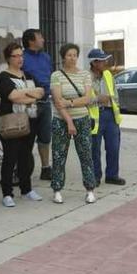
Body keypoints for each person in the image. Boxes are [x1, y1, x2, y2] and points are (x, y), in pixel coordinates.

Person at [0, 42, 46, 207]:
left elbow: (41, 92)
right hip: (11, 121)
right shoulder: (3, 76)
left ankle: (27, 189)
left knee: (26, 156)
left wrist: (26, 95)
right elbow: (12, 96)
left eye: (21, 55)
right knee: (10, 157)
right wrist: (30, 95)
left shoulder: (28, 75)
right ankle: (7, 193)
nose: (19, 59)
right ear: (8, 58)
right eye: (15, 56)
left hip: (29, 120)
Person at [50, 43, 97, 204]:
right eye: (69, 55)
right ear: (63, 57)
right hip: (60, 120)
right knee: (58, 155)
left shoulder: (85, 75)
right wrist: (69, 121)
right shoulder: (56, 75)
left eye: (75, 55)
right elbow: (57, 101)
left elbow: (88, 98)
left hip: (82, 119)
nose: (72, 58)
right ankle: (57, 189)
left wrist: (70, 103)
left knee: (86, 155)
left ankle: (90, 189)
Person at [88, 49, 125, 186]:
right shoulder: (86, 77)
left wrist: (116, 109)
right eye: (102, 60)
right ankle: (95, 176)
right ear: (94, 63)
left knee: (113, 147)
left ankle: (112, 175)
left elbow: (115, 95)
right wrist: (97, 99)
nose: (106, 62)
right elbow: (83, 98)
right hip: (94, 116)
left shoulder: (108, 74)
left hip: (111, 115)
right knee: (94, 149)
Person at [22, 29, 53, 181]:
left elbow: (50, 76)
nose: (43, 39)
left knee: (45, 137)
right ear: (31, 41)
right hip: (29, 104)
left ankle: (46, 168)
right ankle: (22, 169)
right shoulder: (21, 57)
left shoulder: (46, 57)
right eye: (40, 37)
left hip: (46, 102)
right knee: (26, 137)